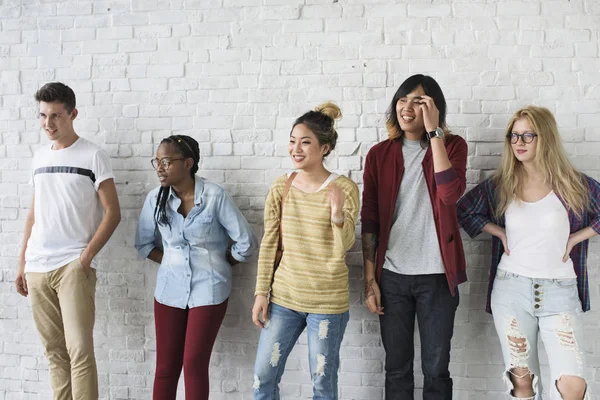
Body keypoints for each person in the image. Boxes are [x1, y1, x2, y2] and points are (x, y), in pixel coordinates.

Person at [457, 106, 598, 400]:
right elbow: (464, 209)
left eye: (528, 136)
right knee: (523, 383)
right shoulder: (502, 184)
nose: (518, 142)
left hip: (560, 292)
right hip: (512, 290)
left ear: (544, 138)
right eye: (514, 136)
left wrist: (579, 237)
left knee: (571, 386)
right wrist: (497, 231)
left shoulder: (573, 184)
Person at [361, 74, 468, 400]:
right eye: (403, 99)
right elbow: (370, 219)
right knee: (396, 368)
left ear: (434, 108)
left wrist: (435, 133)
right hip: (392, 278)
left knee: (436, 370)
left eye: (419, 102)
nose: (408, 107)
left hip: (438, 278)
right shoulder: (379, 154)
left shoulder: (453, 146)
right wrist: (370, 280)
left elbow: (450, 193)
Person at [15, 82, 121, 400]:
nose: (48, 124)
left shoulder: (93, 155)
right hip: (37, 268)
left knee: (80, 354)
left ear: (73, 114)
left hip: (72, 266)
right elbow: (34, 214)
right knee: (54, 354)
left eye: (56, 116)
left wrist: (84, 259)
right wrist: (22, 263)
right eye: (43, 116)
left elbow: (113, 213)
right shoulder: (38, 157)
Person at [135, 134, 257, 400]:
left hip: (209, 290)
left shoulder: (215, 196)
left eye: (166, 161)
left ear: (188, 163)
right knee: (166, 369)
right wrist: (170, 261)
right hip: (169, 291)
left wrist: (224, 263)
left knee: (194, 365)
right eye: (156, 161)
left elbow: (246, 242)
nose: (159, 167)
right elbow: (144, 244)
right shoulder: (155, 198)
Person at [251, 102, 359, 400]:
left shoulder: (344, 188)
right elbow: (270, 242)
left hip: (326, 303)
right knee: (263, 377)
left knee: (322, 384)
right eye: (292, 141)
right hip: (284, 298)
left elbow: (345, 246)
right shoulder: (281, 187)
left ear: (325, 148)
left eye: (305, 142)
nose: (296, 149)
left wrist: (337, 214)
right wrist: (262, 292)